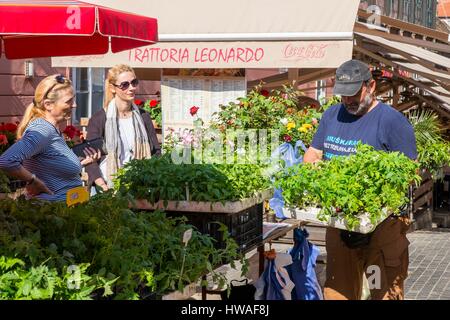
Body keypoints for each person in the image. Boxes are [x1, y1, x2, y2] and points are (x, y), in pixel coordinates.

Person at [303, 59, 417, 300]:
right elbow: (312, 154)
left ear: (371, 86)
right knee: (337, 294)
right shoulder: (332, 115)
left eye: (353, 94)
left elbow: (408, 173)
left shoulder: (392, 122)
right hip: (339, 225)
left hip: (380, 231)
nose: (347, 101)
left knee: (380, 291)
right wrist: (318, 173)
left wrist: (370, 217)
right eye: (343, 95)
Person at [0, 74, 100, 202]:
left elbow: (50, 168)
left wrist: (80, 163)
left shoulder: (50, 129)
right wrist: (33, 181)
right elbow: (6, 160)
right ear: (48, 104)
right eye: (69, 101)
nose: (74, 105)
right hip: (51, 213)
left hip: (66, 211)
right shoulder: (42, 130)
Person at [85, 64, 161, 192]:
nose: (131, 88)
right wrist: (102, 185)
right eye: (124, 85)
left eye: (134, 83)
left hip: (139, 186)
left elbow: (155, 152)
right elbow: (90, 159)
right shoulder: (99, 119)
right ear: (112, 88)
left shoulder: (144, 117)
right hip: (107, 186)